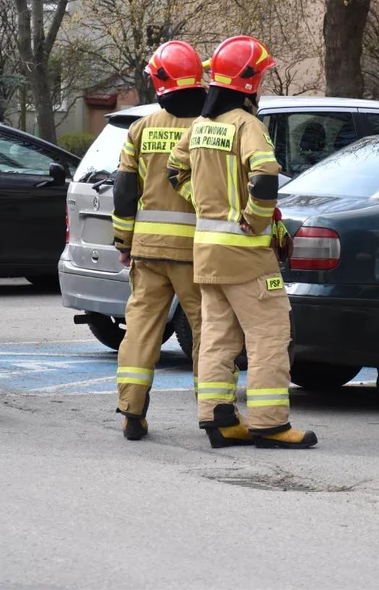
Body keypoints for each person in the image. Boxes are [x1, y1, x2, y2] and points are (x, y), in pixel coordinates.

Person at [168, 35, 315, 450]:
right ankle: (270, 424)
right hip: (247, 255)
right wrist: (254, 218)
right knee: (269, 334)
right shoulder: (246, 126)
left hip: (209, 251)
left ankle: (218, 419)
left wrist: (208, 206)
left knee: (217, 336)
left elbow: (173, 174)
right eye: (261, 78)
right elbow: (265, 177)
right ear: (248, 83)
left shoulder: (200, 126)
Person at [111, 41, 206, 441]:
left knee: (141, 329)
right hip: (198, 252)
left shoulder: (141, 128)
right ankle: (215, 412)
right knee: (208, 332)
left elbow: (123, 189)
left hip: (148, 251)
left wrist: (122, 241)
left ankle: (132, 411)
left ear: (160, 83)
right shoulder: (211, 127)